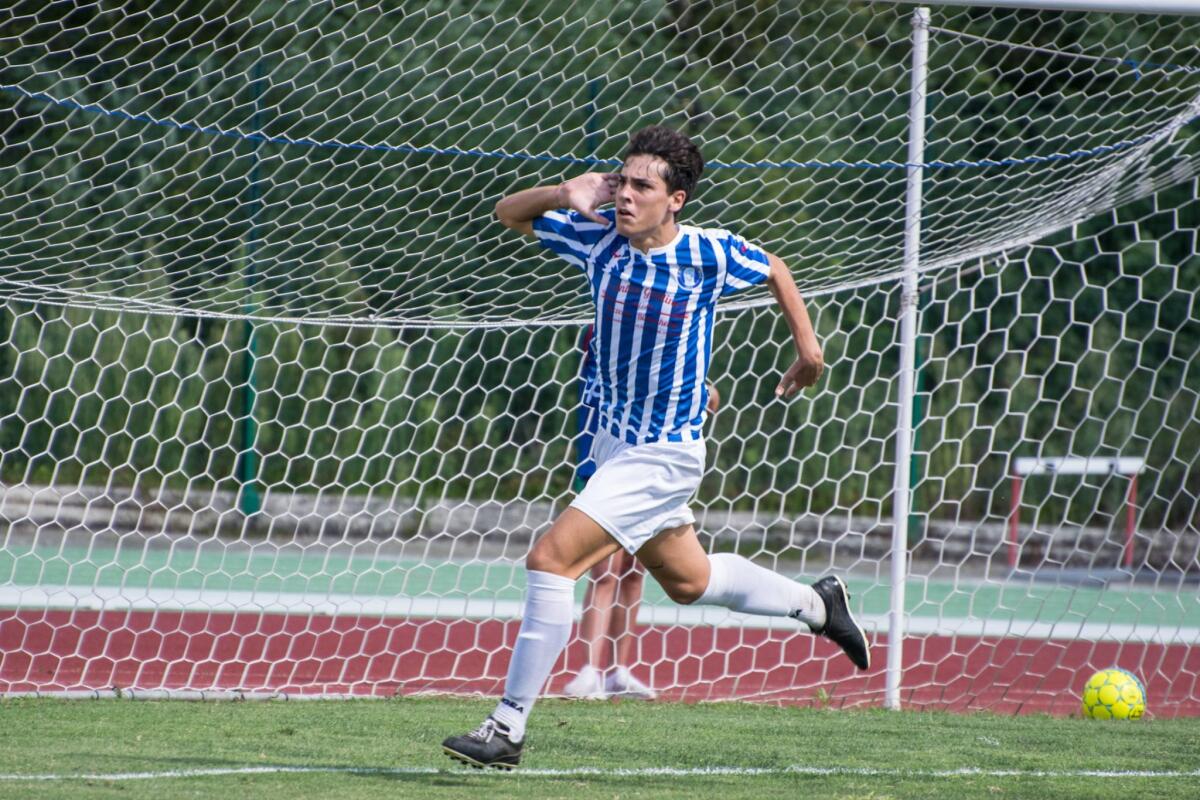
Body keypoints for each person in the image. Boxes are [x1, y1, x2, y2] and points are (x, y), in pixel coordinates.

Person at [443, 125, 869, 770]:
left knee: (550, 561)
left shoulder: (709, 254)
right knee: (690, 581)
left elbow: (775, 267)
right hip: (610, 444)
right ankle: (817, 603)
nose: (626, 194)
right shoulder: (596, 237)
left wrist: (807, 348)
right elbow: (507, 213)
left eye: (643, 185)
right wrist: (565, 190)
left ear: (676, 200)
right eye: (622, 180)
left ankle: (507, 727)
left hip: (665, 452)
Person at [564, 323, 722, 701]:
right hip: (603, 463)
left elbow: (710, 397)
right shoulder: (599, 336)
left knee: (634, 573)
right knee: (605, 572)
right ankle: (589, 670)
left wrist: (700, 391)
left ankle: (619, 670)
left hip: (648, 468)